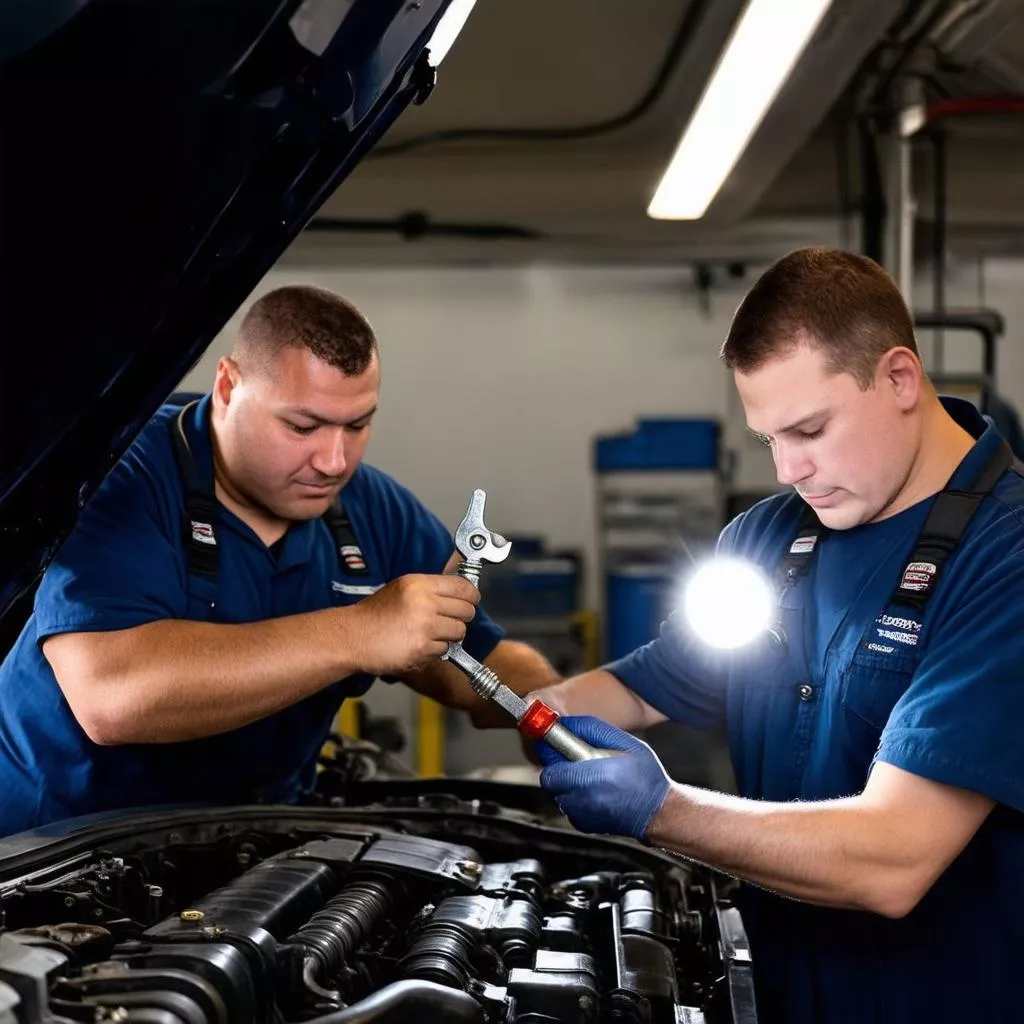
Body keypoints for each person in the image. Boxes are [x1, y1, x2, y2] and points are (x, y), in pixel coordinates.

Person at [528, 247, 1024, 1022]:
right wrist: (547, 711)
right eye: (768, 440)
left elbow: (896, 858)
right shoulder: (765, 542)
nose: (789, 469)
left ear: (899, 378)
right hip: (781, 993)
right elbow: (644, 684)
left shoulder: (1007, 559)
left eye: (811, 430)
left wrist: (662, 810)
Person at [0, 285, 558, 836]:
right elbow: (111, 697)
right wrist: (357, 633)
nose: (334, 461)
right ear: (227, 386)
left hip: (245, 853)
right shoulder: (120, 474)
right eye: (301, 426)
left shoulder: (373, 509)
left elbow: (477, 661)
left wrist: (558, 714)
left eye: (358, 425)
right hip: (52, 853)